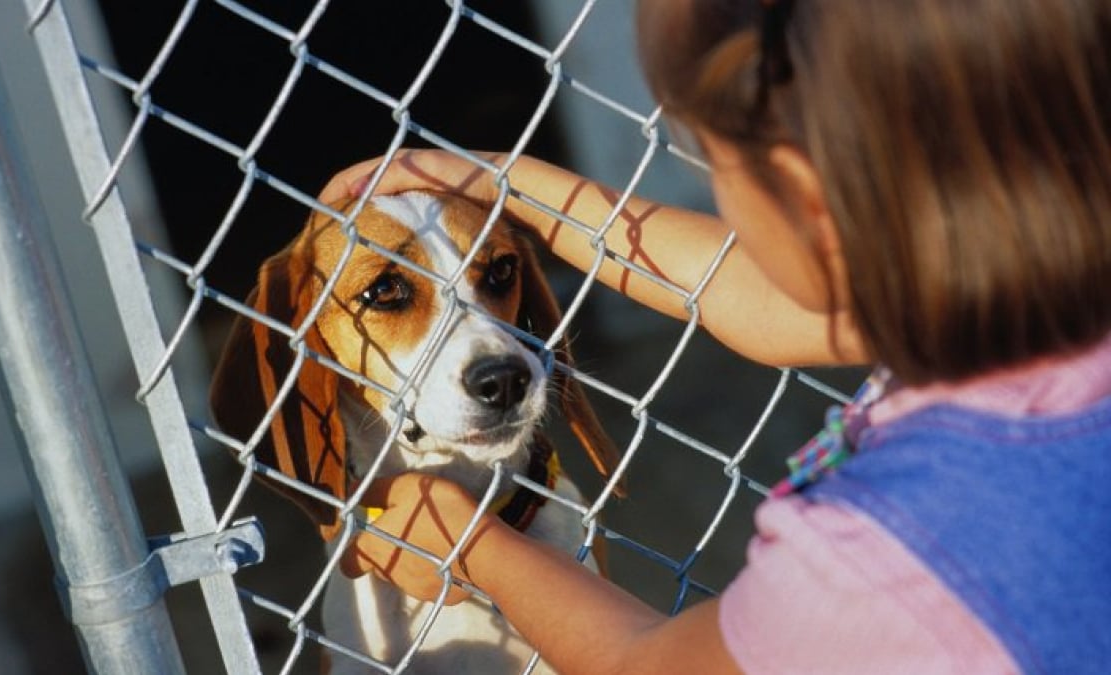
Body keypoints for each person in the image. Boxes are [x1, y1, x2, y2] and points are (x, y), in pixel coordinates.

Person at [316, 1, 1111, 672]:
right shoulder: (1041, 317)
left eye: (709, 165)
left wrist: (472, 545)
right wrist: (496, 181)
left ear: (804, 200)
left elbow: (646, 664)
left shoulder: (880, 552)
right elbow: (737, 290)